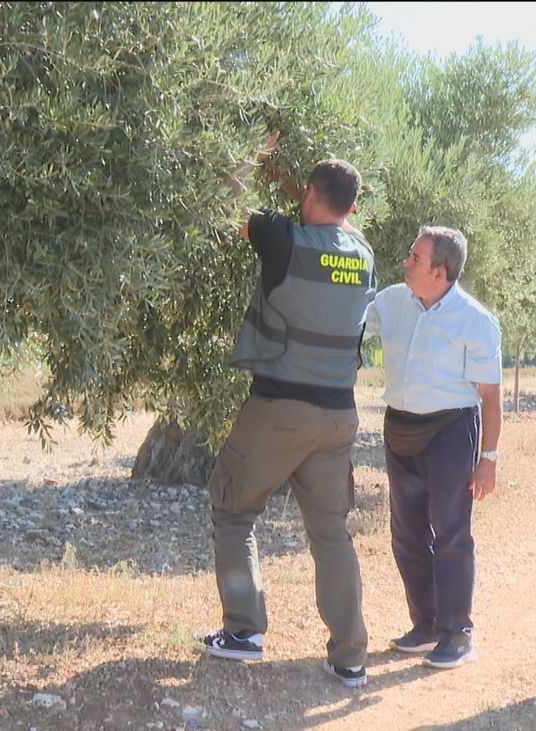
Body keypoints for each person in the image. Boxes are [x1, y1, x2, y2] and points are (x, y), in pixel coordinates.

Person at [199, 156, 377, 689]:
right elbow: (339, 221)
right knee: (331, 533)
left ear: (308, 194)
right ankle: (349, 657)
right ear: (352, 206)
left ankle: (244, 632)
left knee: (233, 512)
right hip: (339, 416)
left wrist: (255, 154)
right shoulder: (364, 255)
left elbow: (226, 201)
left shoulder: (283, 240)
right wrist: (309, 189)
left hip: (279, 409)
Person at [363, 226, 502, 670]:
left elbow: (490, 396)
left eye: (415, 259)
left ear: (439, 272)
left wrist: (488, 459)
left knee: (451, 533)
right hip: (399, 428)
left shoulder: (475, 320)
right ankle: (425, 625)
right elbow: (352, 323)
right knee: (406, 534)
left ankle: (457, 634)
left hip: (451, 432)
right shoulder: (390, 301)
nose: (406, 263)